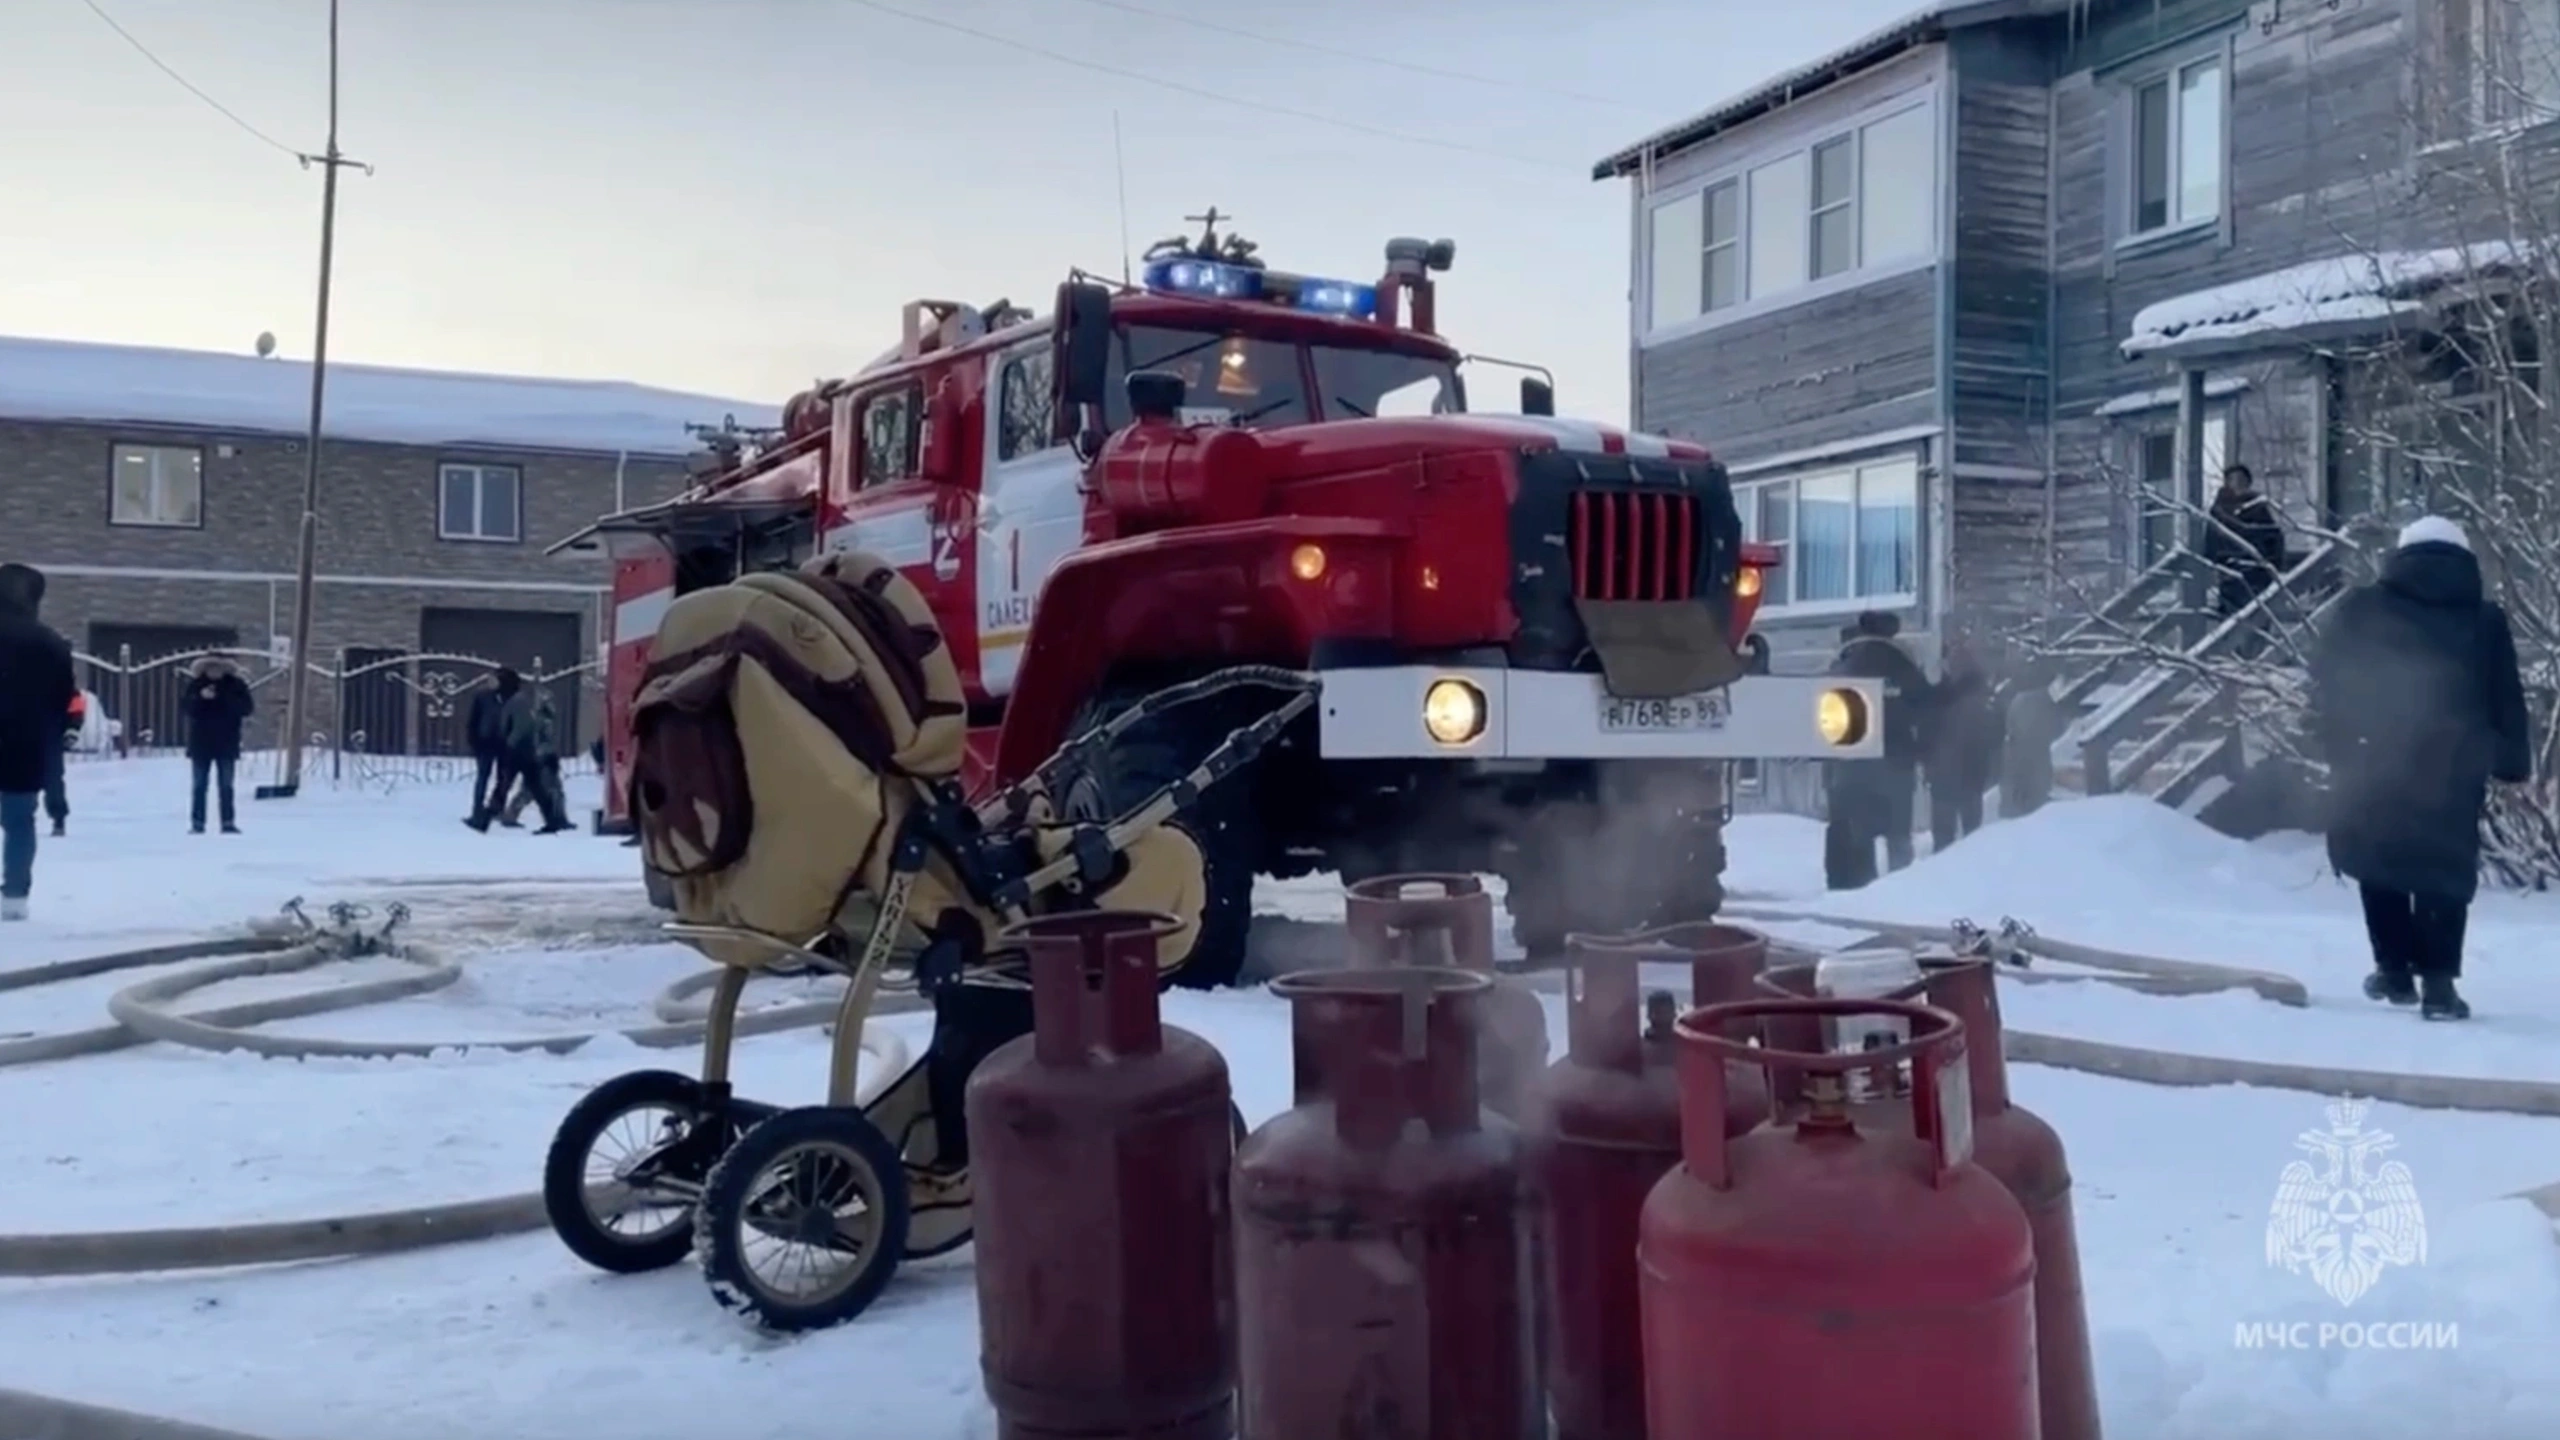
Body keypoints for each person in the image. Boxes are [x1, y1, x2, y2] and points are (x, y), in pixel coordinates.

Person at [2309, 516, 2530, 1021]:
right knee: (2443, 869)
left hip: (2377, 754)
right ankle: (2438, 988)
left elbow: (2330, 679)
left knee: (2378, 855)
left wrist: (2337, 740)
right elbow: (2506, 695)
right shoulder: (2484, 619)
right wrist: (2511, 760)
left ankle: (2392, 969)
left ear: (2401, 555)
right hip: (2456, 763)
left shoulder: (2362, 608)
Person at [1824, 610, 1934, 888]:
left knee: (1858, 830)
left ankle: (1861, 885)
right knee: (1897, 830)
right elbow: (1924, 702)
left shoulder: (1842, 662)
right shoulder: (1900, 661)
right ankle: (1901, 887)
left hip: (1849, 761)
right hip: (1895, 758)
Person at [0, 563, 77, 921]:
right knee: (19, 821)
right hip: (24, 744)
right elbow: (65, 698)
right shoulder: (50, 642)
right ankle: (14, 895)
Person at [1924, 639, 2003, 851]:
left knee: (1943, 836)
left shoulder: (1940, 695)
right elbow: (1994, 736)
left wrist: (1928, 761)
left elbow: (1928, 732)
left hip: (1945, 774)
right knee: (1972, 835)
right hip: (1971, 773)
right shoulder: (1983, 696)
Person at [2205, 464, 2286, 652]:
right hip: (2230, 572)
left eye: (2243, 480)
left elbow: (2273, 536)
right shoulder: (2219, 510)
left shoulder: (2258, 507)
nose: (2239, 485)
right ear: (2227, 483)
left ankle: (2256, 652)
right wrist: (2213, 565)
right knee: (2232, 617)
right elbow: (2211, 541)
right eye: (2234, 480)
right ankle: (2234, 653)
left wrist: (2273, 565)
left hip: (2256, 573)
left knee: (2258, 617)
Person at [183, 655, 255, 835]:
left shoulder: (236, 686)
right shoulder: (196, 685)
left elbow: (246, 708)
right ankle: (198, 822)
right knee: (199, 785)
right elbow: (186, 708)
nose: (215, 672)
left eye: (218, 668)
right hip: (201, 742)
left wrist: (223, 698)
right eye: (211, 668)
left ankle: (228, 822)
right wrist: (201, 698)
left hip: (227, 741)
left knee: (226, 785)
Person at [499, 683, 574, 834]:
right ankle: (510, 815)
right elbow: (538, 742)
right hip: (541, 760)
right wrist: (543, 757)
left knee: (555, 790)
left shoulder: (547, 720)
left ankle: (559, 818)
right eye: (549, 702)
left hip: (547, 758)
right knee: (532, 791)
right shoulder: (539, 721)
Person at [1999, 657, 2067, 820]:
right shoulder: (2044, 701)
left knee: (2019, 792)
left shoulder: (2016, 702)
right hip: (2038, 754)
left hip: (2018, 754)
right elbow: (2058, 728)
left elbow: (2010, 728)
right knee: (2037, 792)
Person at [464, 669, 521, 829]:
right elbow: (473, 719)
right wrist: (473, 740)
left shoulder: (513, 698)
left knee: (503, 779)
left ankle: (497, 808)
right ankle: (477, 810)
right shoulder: (482, 697)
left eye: (496, 679)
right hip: (485, 743)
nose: (492, 682)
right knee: (483, 777)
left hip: (505, 744)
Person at [44, 690, 79, 837]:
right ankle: (16, 819)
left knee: (53, 780)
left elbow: (76, 704)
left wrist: (73, 729)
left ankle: (58, 818)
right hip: (18, 734)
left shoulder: (56, 672)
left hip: (51, 735)